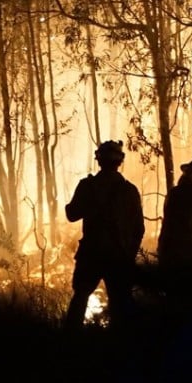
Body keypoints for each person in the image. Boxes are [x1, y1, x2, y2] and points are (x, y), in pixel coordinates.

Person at [64, 139, 145, 329]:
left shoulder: (87, 186)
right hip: (118, 256)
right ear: (120, 161)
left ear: (99, 160)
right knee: (120, 303)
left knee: (80, 297)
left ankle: (70, 339)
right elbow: (139, 229)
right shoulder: (129, 190)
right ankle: (119, 341)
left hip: (91, 254)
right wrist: (129, 254)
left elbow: (72, 214)